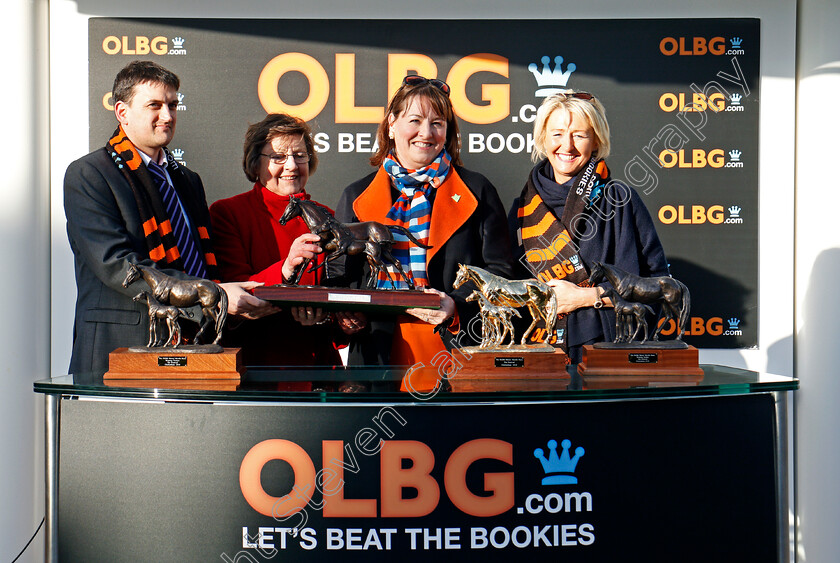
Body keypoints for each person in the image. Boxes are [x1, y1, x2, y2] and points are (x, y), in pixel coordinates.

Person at [64, 60, 272, 374]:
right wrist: (210, 293)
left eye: (173, 105)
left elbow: (201, 261)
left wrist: (225, 291)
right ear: (122, 112)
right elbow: (116, 264)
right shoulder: (89, 174)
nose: (167, 115)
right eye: (154, 105)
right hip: (120, 351)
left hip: (194, 346)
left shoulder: (188, 180)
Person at [337, 75, 514, 379]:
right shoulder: (355, 197)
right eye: (415, 120)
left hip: (457, 357)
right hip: (376, 360)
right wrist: (344, 313)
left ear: (448, 132)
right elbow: (339, 277)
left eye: (437, 123)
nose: (426, 133)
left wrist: (456, 307)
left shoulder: (477, 190)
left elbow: (504, 274)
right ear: (391, 124)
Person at [510, 90, 669, 363]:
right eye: (557, 134)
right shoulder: (522, 208)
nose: (567, 146)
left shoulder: (622, 200)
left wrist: (586, 297)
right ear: (542, 138)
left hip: (609, 352)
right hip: (539, 356)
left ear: (596, 140)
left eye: (579, 135)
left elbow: (659, 287)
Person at [209, 113, 363, 365]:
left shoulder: (330, 218)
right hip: (257, 369)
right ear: (255, 163)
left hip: (319, 372)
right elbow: (232, 300)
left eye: (299, 156)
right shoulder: (228, 213)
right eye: (278, 157)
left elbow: (341, 301)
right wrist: (285, 268)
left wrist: (341, 320)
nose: (291, 165)